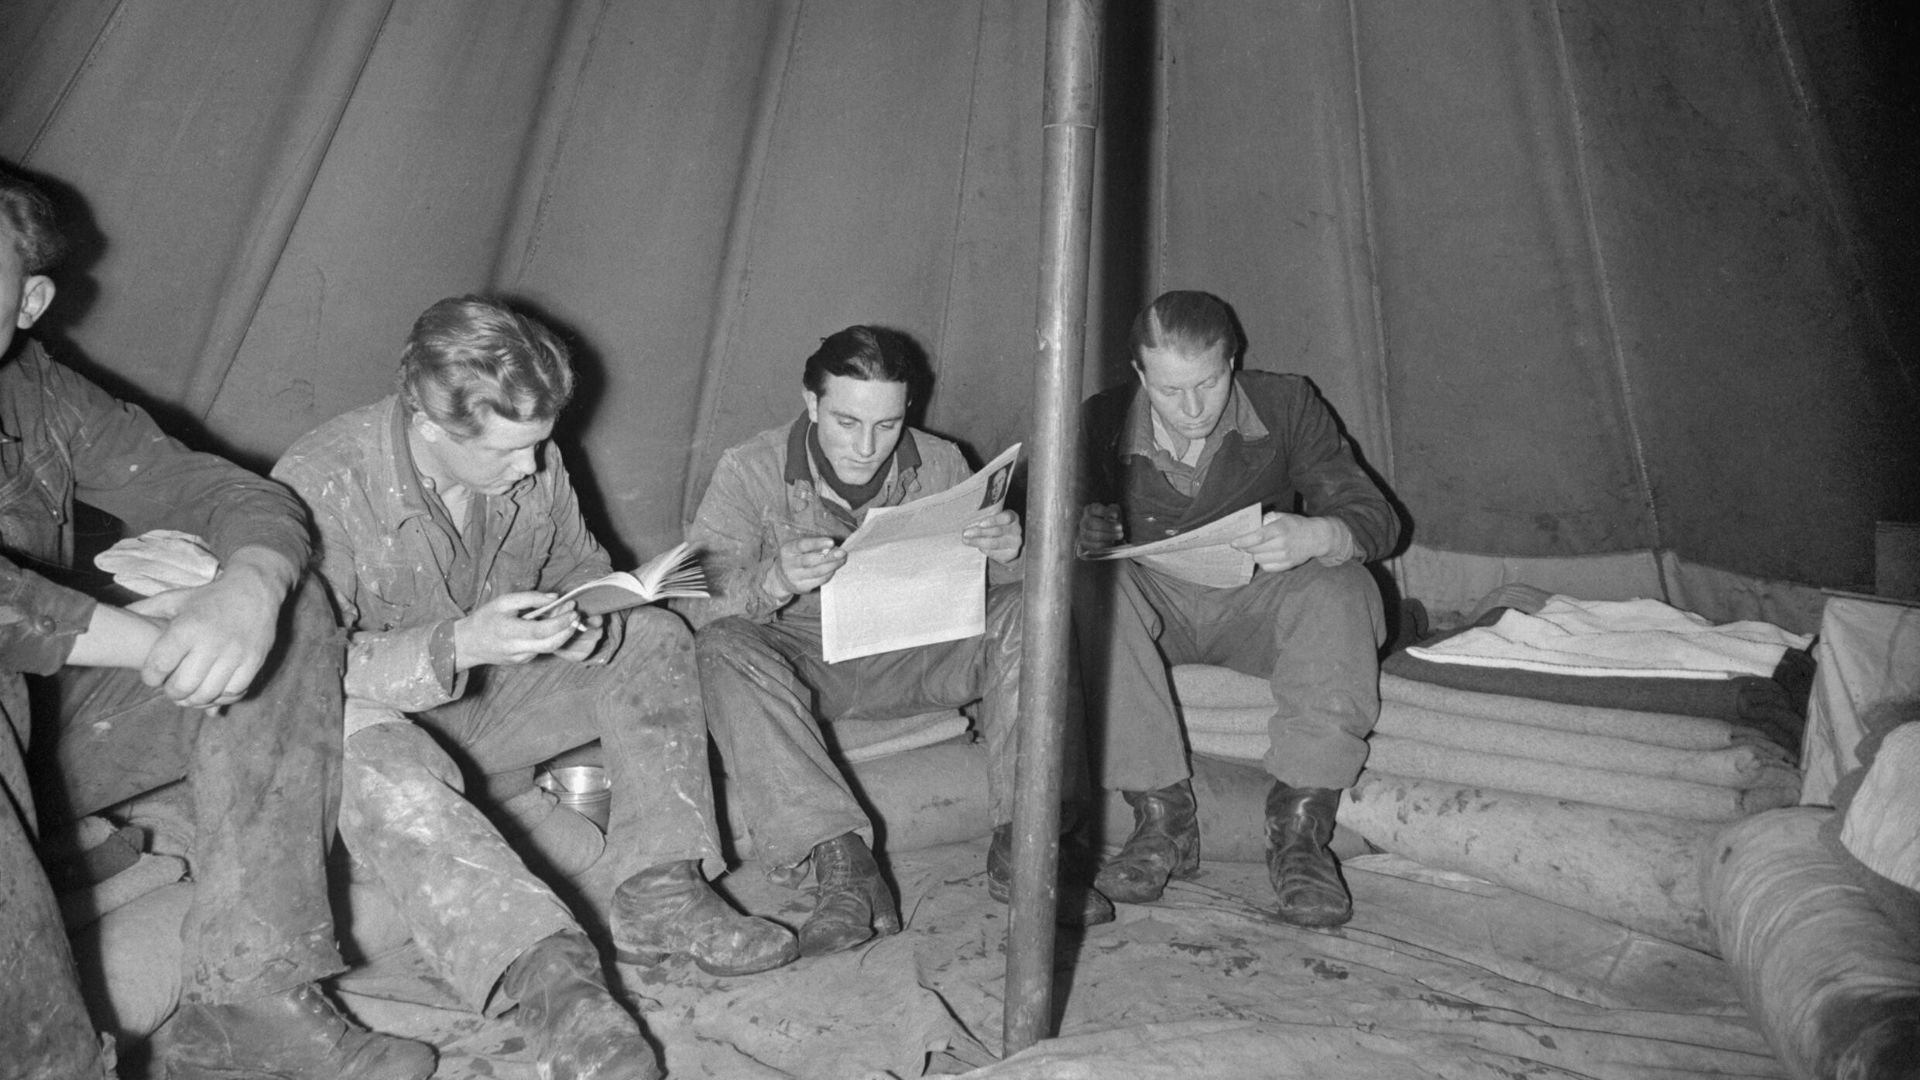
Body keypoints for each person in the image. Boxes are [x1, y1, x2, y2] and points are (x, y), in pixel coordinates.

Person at [0, 164, 434, 1078]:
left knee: (289, 613)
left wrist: (248, 588)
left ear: (29, 301)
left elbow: (224, 492)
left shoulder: (40, 392)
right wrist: (162, 641)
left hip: (43, 738)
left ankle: (253, 997)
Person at [272, 298, 796, 1008]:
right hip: (379, 749)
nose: (531, 465)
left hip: (492, 714)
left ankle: (661, 893)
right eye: (506, 451)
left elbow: (580, 566)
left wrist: (583, 618)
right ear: (428, 426)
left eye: (538, 442)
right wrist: (459, 643)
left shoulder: (532, 456)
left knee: (653, 637)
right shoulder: (321, 484)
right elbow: (299, 671)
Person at [681, 324, 1113, 958]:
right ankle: (844, 869)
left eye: (887, 425)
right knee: (721, 647)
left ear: (908, 408)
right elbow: (694, 605)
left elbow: (992, 588)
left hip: (914, 649)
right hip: (808, 662)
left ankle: (1029, 848)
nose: (866, 447)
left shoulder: (941, 463)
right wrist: (772, 582)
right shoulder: (750, 468)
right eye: (846, 422)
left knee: (1031, 610)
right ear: (811, 403)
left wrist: (1012, 552)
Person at [1076, 289, 1399, 928]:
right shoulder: (1101, 420)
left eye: (1209, 383)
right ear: (1139, 373)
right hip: (1154, 614)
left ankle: (1300, 837)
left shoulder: (1286, 404)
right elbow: (1038, 522)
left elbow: (1375, 516)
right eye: (1169, 391)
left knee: (1344, 586)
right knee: (1092, 592)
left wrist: (1320, 533)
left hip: (1256, 604)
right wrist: (1078, 531)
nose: (1193, 408)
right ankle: (1163, 823)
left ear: (1233, 361)